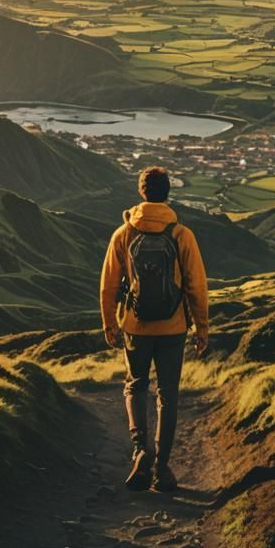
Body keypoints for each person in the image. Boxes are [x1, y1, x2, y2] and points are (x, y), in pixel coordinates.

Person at [99, 166, 209, 493]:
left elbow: (108, 284)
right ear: (167, 193)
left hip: (135, 326)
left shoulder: (124, 233)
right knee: (168, 395)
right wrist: (202, 328)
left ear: (141, 192)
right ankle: (162, 468)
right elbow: (197, 286)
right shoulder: (181, 234)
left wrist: (109, 322)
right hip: (173, 327)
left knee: (135, 385)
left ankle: (140, 448)